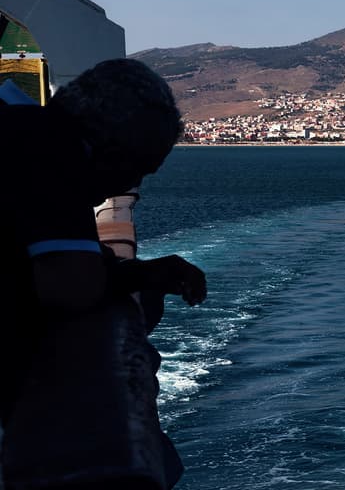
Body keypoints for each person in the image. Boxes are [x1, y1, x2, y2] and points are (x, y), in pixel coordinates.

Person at [0, 57, 206, 419]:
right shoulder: (48, 147)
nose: (131, 186)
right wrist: (131, 278)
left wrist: (140, 274)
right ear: (113, 151)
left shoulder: (17, 124)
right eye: (139, 170)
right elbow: (71, 288)